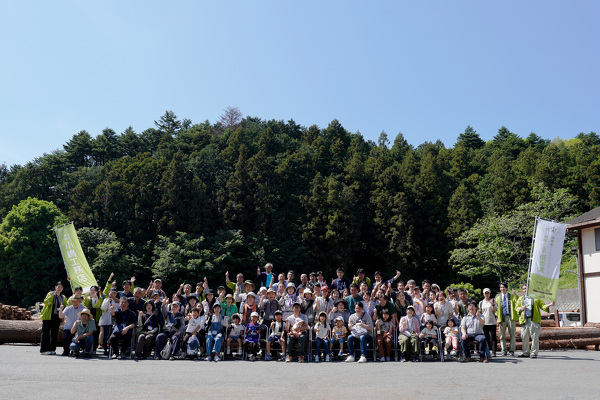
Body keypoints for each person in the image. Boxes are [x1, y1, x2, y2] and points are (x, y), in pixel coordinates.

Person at [516, 284, 554, 359]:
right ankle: (526, 352)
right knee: (524, 337)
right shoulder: (521, 299)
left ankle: (534, 352)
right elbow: (516, 308)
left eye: (526, 288)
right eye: (523, 289)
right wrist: (521, 308)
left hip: (533, 320)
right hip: (524, 320)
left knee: (534, 337)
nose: (525, 290)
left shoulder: (536, 298)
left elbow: (542, 306)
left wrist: (550, 304)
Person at [40, 281, 68, 355]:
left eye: (61, 287)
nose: (59, 288)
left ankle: (52, 349)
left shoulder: (63, 297)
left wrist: (63, 316)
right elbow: (46, 302)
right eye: (58, 286)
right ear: (55, 287)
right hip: (48, 316)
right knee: (45, 332)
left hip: (57, 317)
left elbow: (65, 306)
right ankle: (44, 350)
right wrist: (51, 297)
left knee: (54, 333)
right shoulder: (50, 294)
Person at [495, 282, 518, 356]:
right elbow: (496, 309)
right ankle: (503, 350)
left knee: (512, 335)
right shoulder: (498, 298)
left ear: (506, 288)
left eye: (504, 287)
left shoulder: (511, 296)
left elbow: (517, 302)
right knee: (502, 335)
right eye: (501, 287)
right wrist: (497, 318)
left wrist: (515, 294)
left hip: (510, 317)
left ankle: (512, 350)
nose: (502, 289)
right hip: (502, 317)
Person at [479, 288, 498, 357]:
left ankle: (494, 351)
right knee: (486, 337)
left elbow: (495, 311)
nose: (486, 294)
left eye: (488, 293)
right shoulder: (481, 302)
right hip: (484, 322)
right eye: (485, 293)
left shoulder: (493, 301)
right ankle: (487, 351)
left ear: (490, 293)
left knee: (493, 337)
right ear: (483, 294)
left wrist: (492, 304)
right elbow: (480, 312)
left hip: (492, 321)